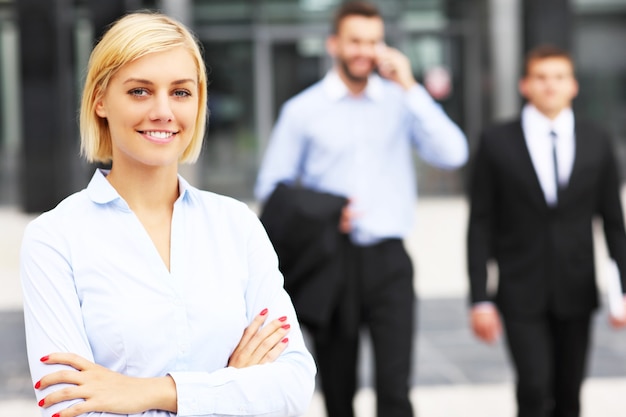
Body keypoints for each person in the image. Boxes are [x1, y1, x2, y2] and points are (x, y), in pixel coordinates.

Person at [20, 11, 315, 417]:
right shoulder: (55, 238)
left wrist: (154, 393)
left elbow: (293, 385)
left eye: (180, 92)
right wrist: (231, 384)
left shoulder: (237, 225)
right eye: (140, 91)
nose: (163, 111)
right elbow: (71, 406)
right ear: (100, 100)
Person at [255, 2, 468, 416]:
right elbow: (271, 187)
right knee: (338, 392)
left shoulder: (401, 102)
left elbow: (454, 153)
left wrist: (411, 86)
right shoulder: (303, 111)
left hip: (390, 261)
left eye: (373, 41)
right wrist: (324, 210)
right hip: (331, 261)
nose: (364, 51)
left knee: (395, 391)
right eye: (355, 41)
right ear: (334, 43)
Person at [467, 44, 626, 417]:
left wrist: (622, 290)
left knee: (569, 394)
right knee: (534, 388)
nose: (550, 86)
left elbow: (614, 223)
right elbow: (480, 224)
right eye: (541, 77)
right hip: (521, 290)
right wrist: (480, 298)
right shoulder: (496, 142)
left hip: (577, 287)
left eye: (559, 77)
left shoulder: (597, 140)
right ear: (525, 85)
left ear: (573, 85)